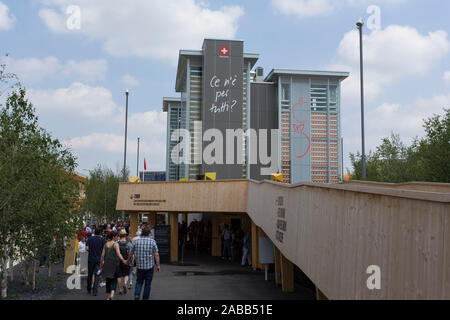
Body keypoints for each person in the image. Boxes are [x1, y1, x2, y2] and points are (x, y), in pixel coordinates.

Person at [127, 227, 160, 300]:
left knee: (139, 282)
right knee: (147, 284)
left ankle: (137, 295)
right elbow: (156, 254)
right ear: (148, 233)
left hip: (140, 266)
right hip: (149, 267)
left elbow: (131, 252)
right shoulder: (152, 241)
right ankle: (145, 298)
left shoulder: (136, 241)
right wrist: (158, 265)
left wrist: (128, 260)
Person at [100, 231, 128, 300]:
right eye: (116, 236)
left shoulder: (106, 244)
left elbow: (102, 256)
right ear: (113, 237)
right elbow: (118, 254)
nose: (117, 237)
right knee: (114, 280)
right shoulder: (116, 244)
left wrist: (101, 264)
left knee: (108, 280)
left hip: (107, 264)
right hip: (114, 264)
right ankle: (112, 294)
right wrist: (123, 260)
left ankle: (108, 296)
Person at [85, 228, 106, 296]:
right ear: (100, 233)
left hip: (91, 259)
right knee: (97, 275)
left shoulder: (90, 239)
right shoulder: (102, 240)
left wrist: (91, 251)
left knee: (90, 274)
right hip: (98, 260)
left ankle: (88, 289)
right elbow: (104, 250)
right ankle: (95, 290)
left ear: (94, 232)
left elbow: (87, 248)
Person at [117, 229, 132, 295]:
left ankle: (120, 290)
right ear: (125, 235)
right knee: (126, 274)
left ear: (119, 235)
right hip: (126, 261)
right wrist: (129, 260)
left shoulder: (116, 243)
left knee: (119, 276)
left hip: (118, 261)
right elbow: (131, 253)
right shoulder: (129, 244)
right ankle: (125, 283)